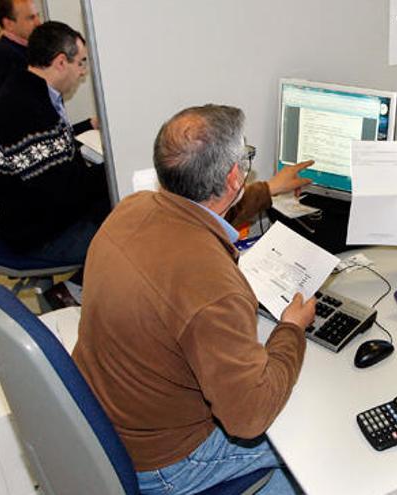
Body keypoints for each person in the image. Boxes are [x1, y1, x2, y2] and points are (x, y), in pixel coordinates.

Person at [73, 104, 317, 494]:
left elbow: (201, 211)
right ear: (234, 175)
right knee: (315, 430)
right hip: (169, 463)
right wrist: (290, 330)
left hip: (109, 424)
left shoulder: (131, 208)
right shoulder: (214, 288)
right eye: (245, 157)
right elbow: (249, 418)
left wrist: (269, 189)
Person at [0, 21, 107, 266]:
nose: (83, 72)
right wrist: (114, 167)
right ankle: (73, 290)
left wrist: (88, 125)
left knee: (120, 206)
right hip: (39, 236)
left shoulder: (28, 88)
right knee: (132, 234)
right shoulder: (26, 109)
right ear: (61, 62)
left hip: (35, 216)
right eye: (81, 62)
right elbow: (67, 192)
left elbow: (49, 149)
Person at [0, 0, 42, 108]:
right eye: (31, 18)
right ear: (8, 24)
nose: (39, 23)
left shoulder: (18, 48)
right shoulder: (7, 57)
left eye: (38, 15)